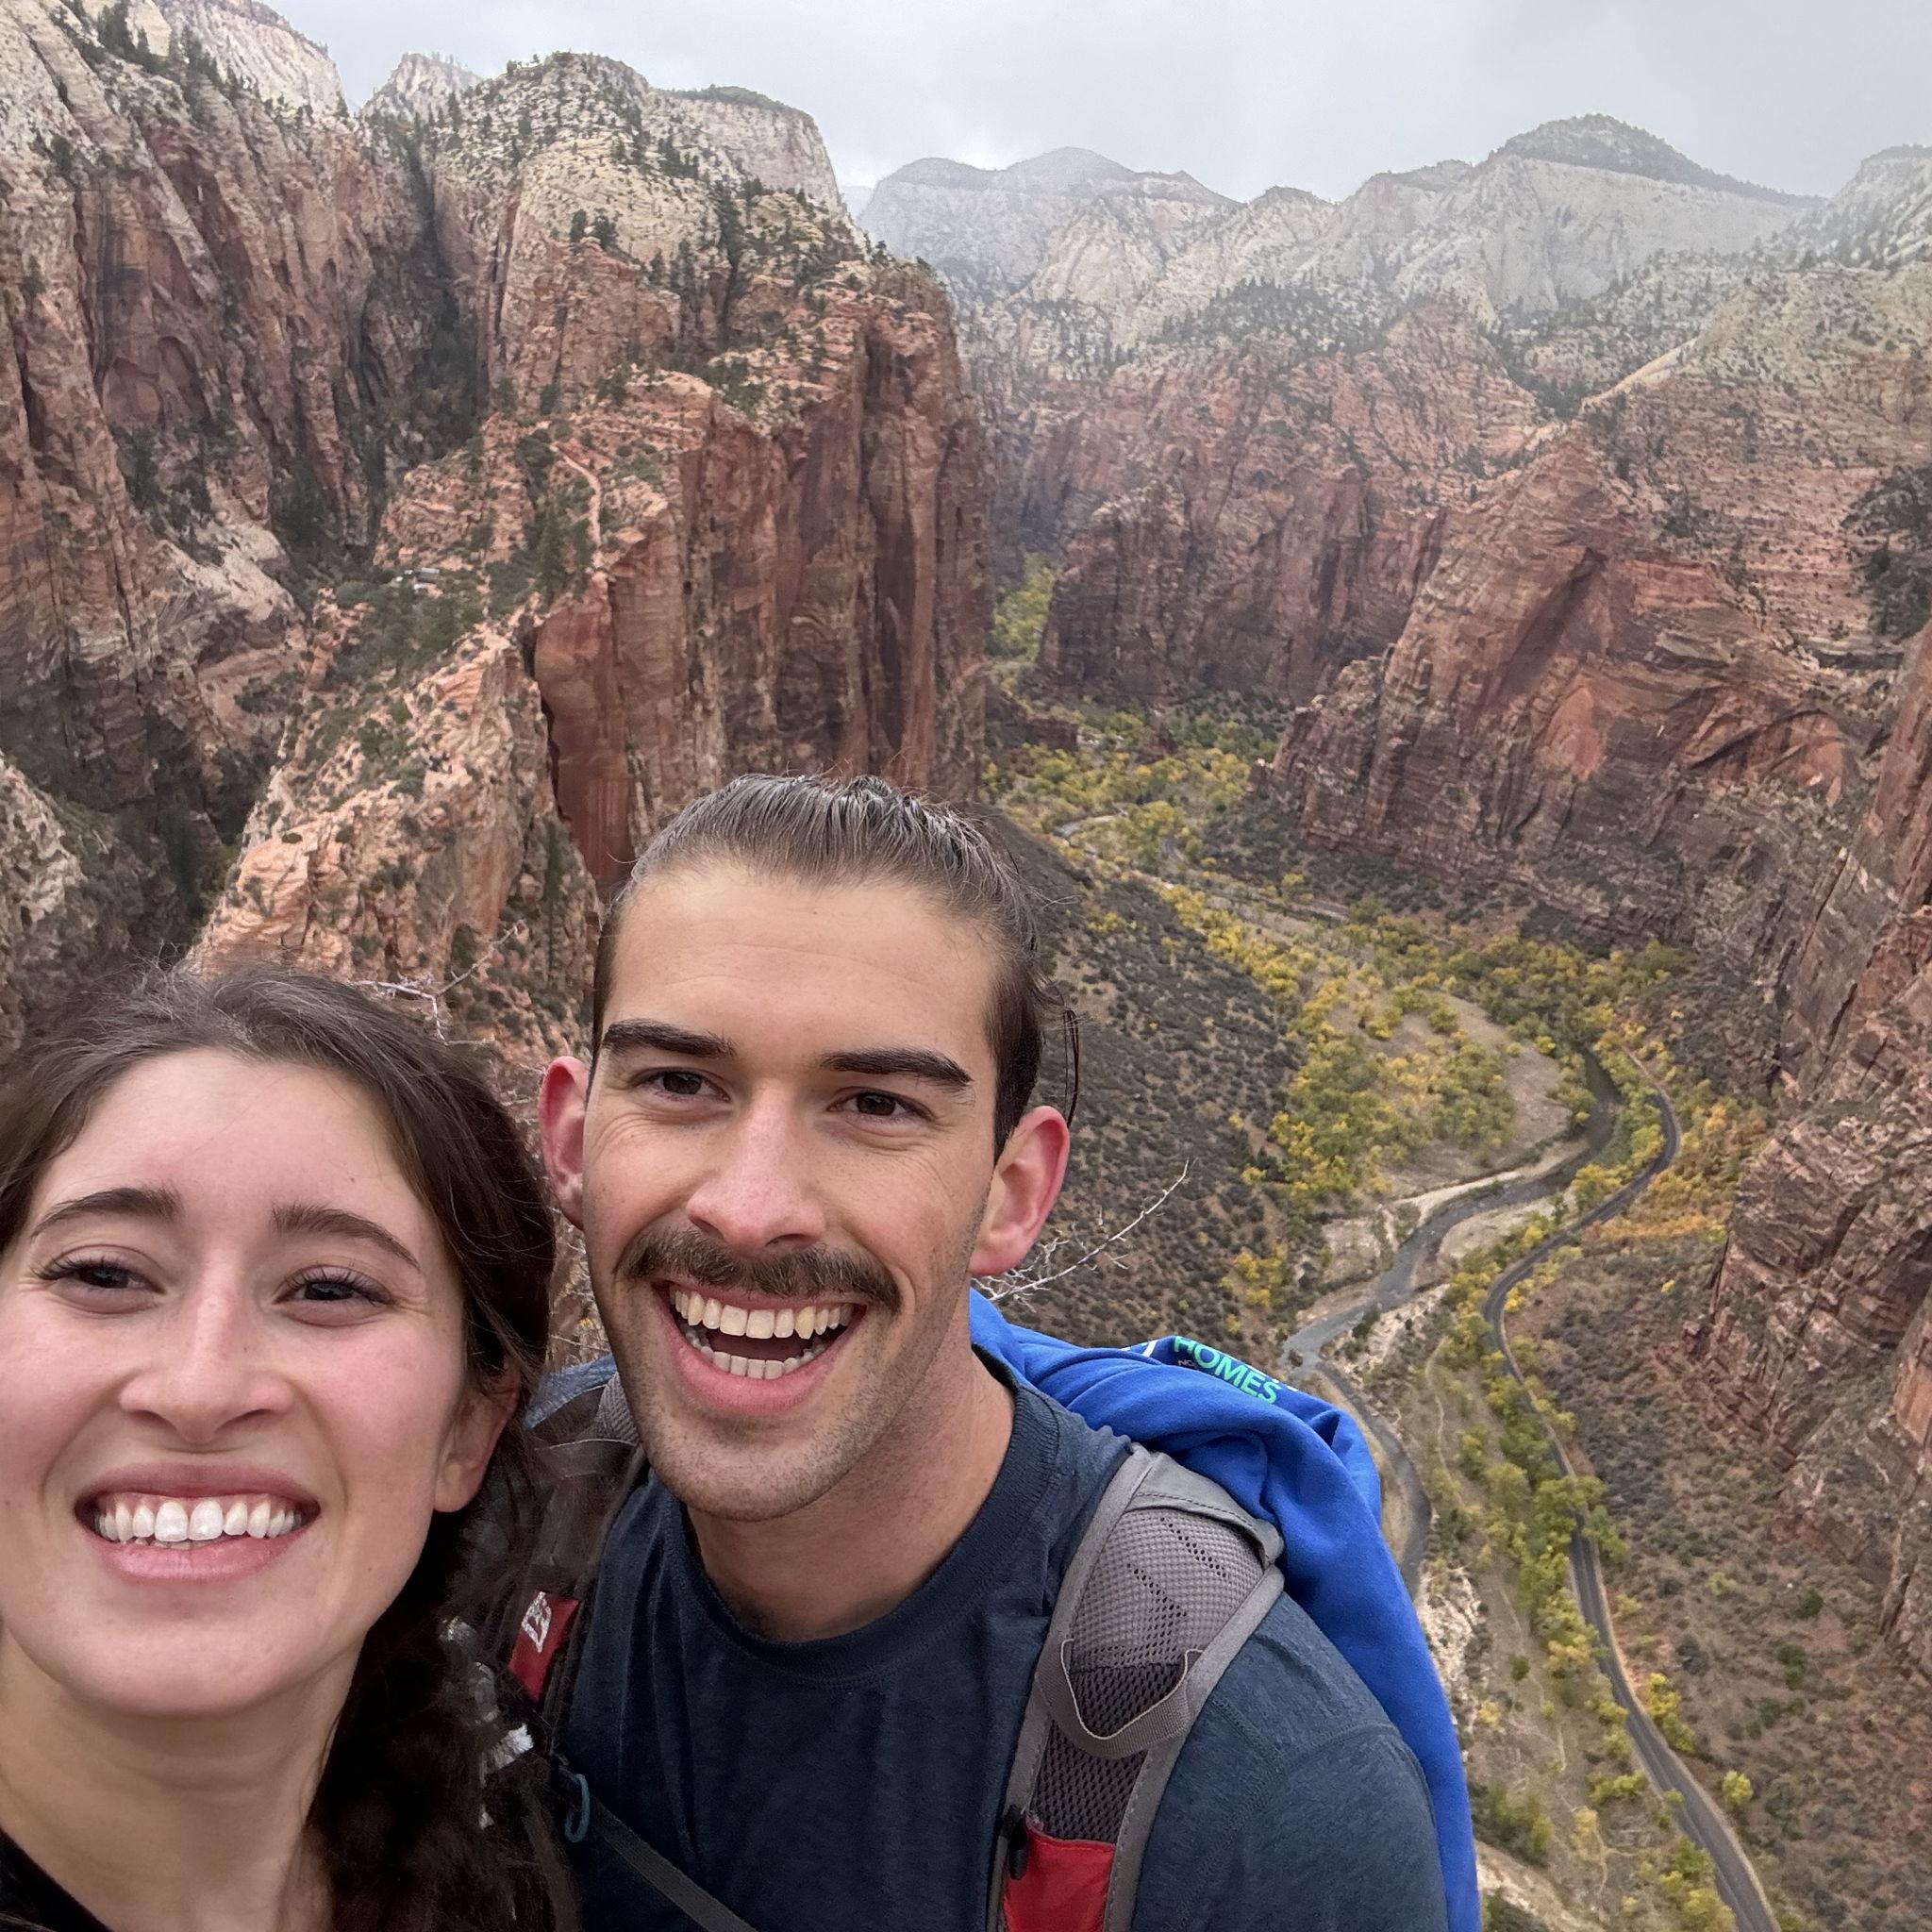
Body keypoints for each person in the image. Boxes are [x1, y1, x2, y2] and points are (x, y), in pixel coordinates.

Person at [536, 773, 1451, 1931]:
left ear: (1011, 1193)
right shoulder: (500, 1532)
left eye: (873, 1103)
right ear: (569, 1141)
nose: (750, 1206)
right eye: (678, 1082)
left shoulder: (1267, 1813)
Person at [0, 968, 577, 1932]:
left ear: (468, 1428)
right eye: (105, 1271)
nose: (199, 1388)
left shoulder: (499, 1846)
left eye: (330, 1289)